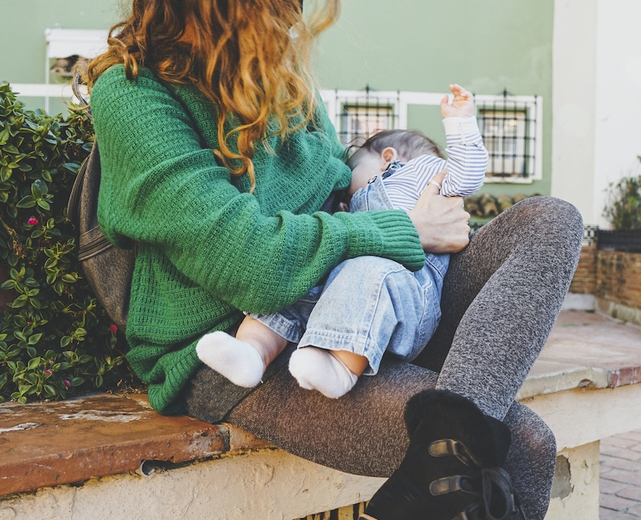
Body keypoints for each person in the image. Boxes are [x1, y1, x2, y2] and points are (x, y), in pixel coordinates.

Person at [86, 1, 582, 518]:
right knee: (522, 444)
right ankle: (443, 457)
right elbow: (249, 263)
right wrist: (408, 229)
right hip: (251, 345)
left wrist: (420, 208)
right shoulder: (133, 92)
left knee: (552, 220)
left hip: (368, 295)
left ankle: (438, 453)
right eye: (276, 9)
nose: (294, 20)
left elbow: (340, 188)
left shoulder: (283, 77)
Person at [195, 84, 487, 399]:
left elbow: (467, 175)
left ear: (387, 159)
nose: (347, 186)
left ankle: (339, 369)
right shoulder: (359, 198)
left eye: (354, 169)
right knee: (296, 280)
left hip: (404, 290)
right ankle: (252, 353)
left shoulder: (422, 172)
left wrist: (460, 123)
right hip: (349, 283)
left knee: (369, 272)